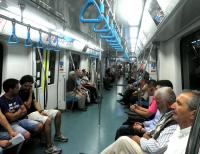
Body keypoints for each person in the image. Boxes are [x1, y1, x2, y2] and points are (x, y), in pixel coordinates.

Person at [101, 87, 177, 154]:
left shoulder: (174, 122)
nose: (156, 105)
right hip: (150, 138)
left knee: (122, 138)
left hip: (151, 146)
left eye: (158, 103)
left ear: (168, 103)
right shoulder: (166, 114)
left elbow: (156, 148)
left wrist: (139, 138)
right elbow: (157, 128)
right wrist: (145, 129)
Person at [19, 75, 68, 153]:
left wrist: (41, 111)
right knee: (47, 120)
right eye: (26, 86)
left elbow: (35, 102)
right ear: (21, 84)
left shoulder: (30, 91)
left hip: (36, 111)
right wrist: (31, 93)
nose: (27, 88)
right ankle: (49, 147)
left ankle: (58, 135)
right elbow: (28, 105)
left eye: (30, 86)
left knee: (58, 113)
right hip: (28, 114)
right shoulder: (19, 93)